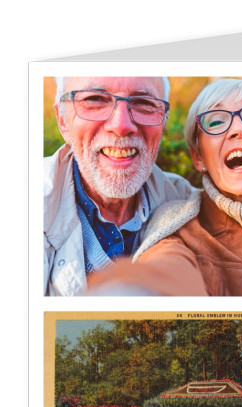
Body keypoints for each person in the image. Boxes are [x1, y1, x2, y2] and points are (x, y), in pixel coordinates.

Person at [87, 78, 242, 296]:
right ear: (198, 157)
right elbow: (165, 271)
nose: (239, 129)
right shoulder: (177, 229)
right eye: (216, 121)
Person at [44, 76, 199, 296]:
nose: (121, 126)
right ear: (62, 120)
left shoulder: (187, 204)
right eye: (95, 99)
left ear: (163, 121)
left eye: (144, 103)